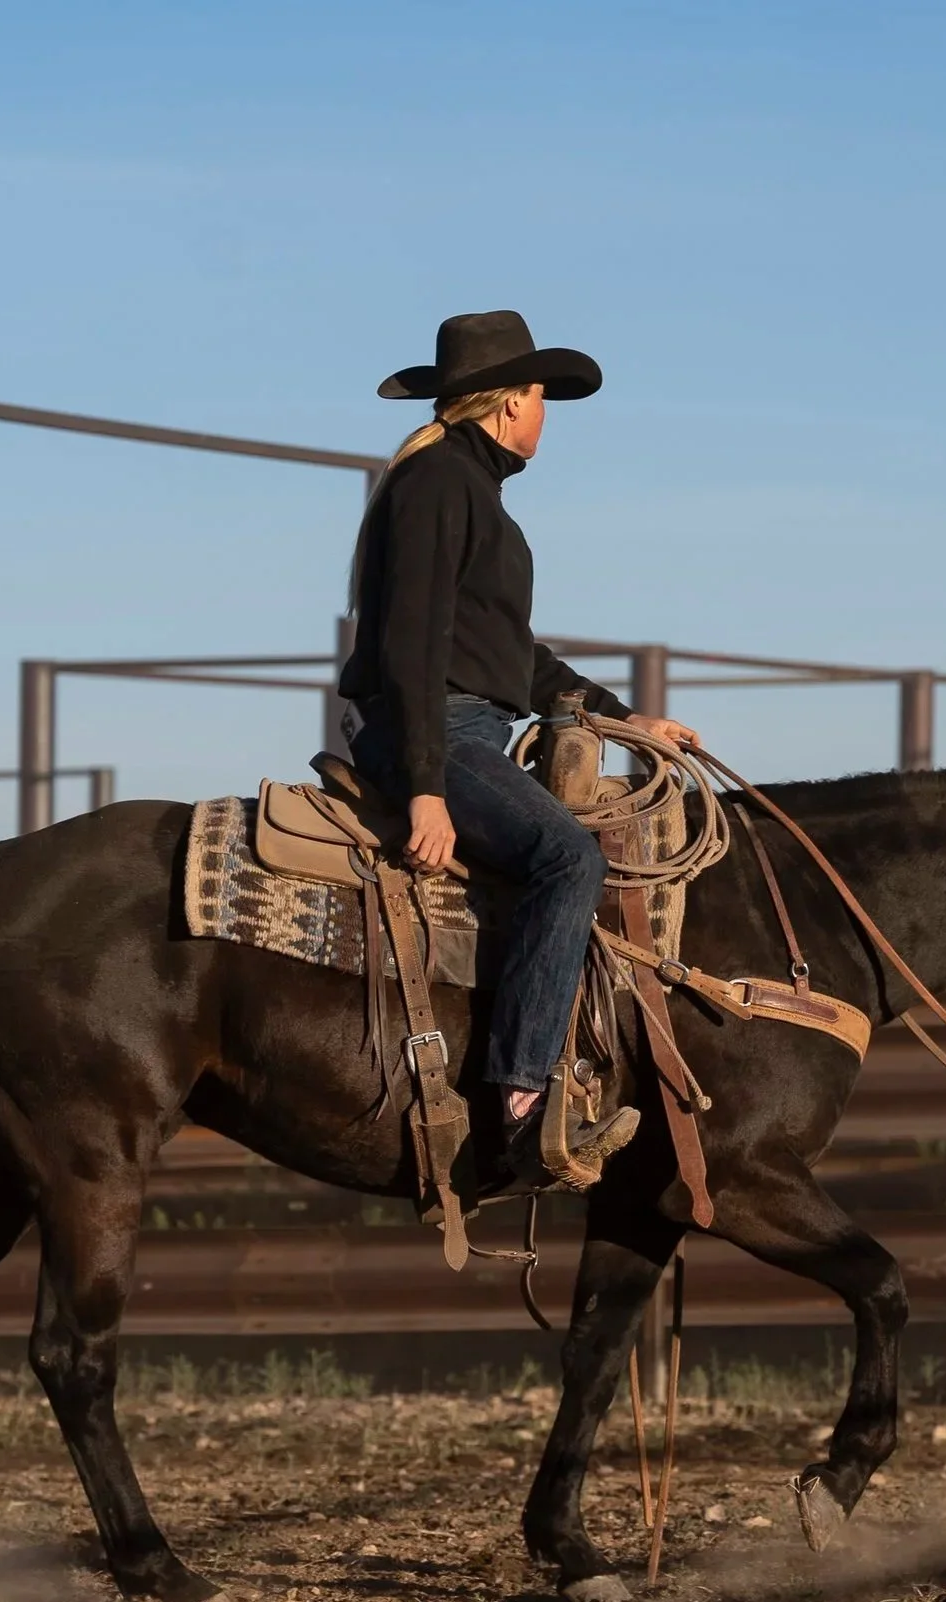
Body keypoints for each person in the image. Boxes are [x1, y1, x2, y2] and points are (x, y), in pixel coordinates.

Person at [338, 310, 699, 1186]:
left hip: (466, 720)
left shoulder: (468, 489)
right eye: (542, 398)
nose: (545, 417)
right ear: (510, 405)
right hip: (437, 730)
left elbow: (505, 652)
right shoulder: (439, 485)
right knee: (567, 858)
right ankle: (521, 1101)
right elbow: (412, 646)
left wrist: (622, 716)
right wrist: (425, 786)